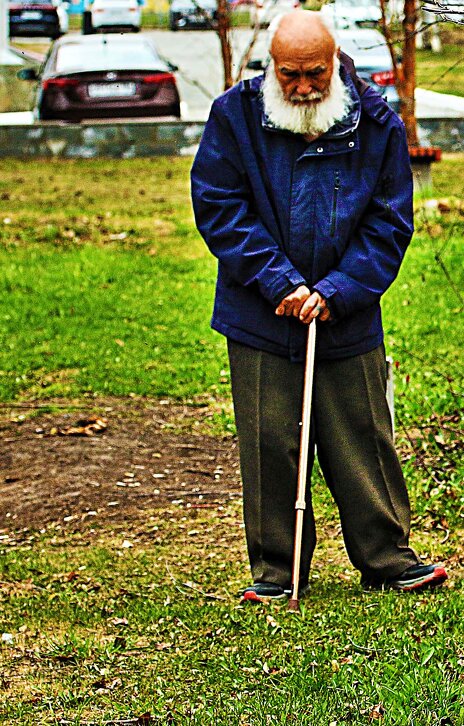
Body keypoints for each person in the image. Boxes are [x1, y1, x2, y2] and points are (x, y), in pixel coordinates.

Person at [190, 10, 447, 602]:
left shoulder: (376, 121)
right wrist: (280, 283)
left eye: (315, 73)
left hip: (347, 314)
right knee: (270, 440)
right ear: (270, 68)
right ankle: (277, 570)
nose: (303, 87)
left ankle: (387, 558)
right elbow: (220, 207)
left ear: (335, 63)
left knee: (362, 436)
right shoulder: (235, 116)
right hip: (259, 312)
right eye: (290, 75)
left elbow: (388, 222)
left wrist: (337, 291)